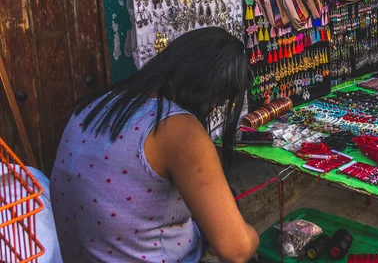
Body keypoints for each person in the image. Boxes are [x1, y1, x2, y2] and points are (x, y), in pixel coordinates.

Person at [51, 27, 259, 263]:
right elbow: (236, 250)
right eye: (216, 102)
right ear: (205, 92)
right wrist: (252, 236)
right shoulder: (178, 129)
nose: (212, 109)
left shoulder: (97, 103)